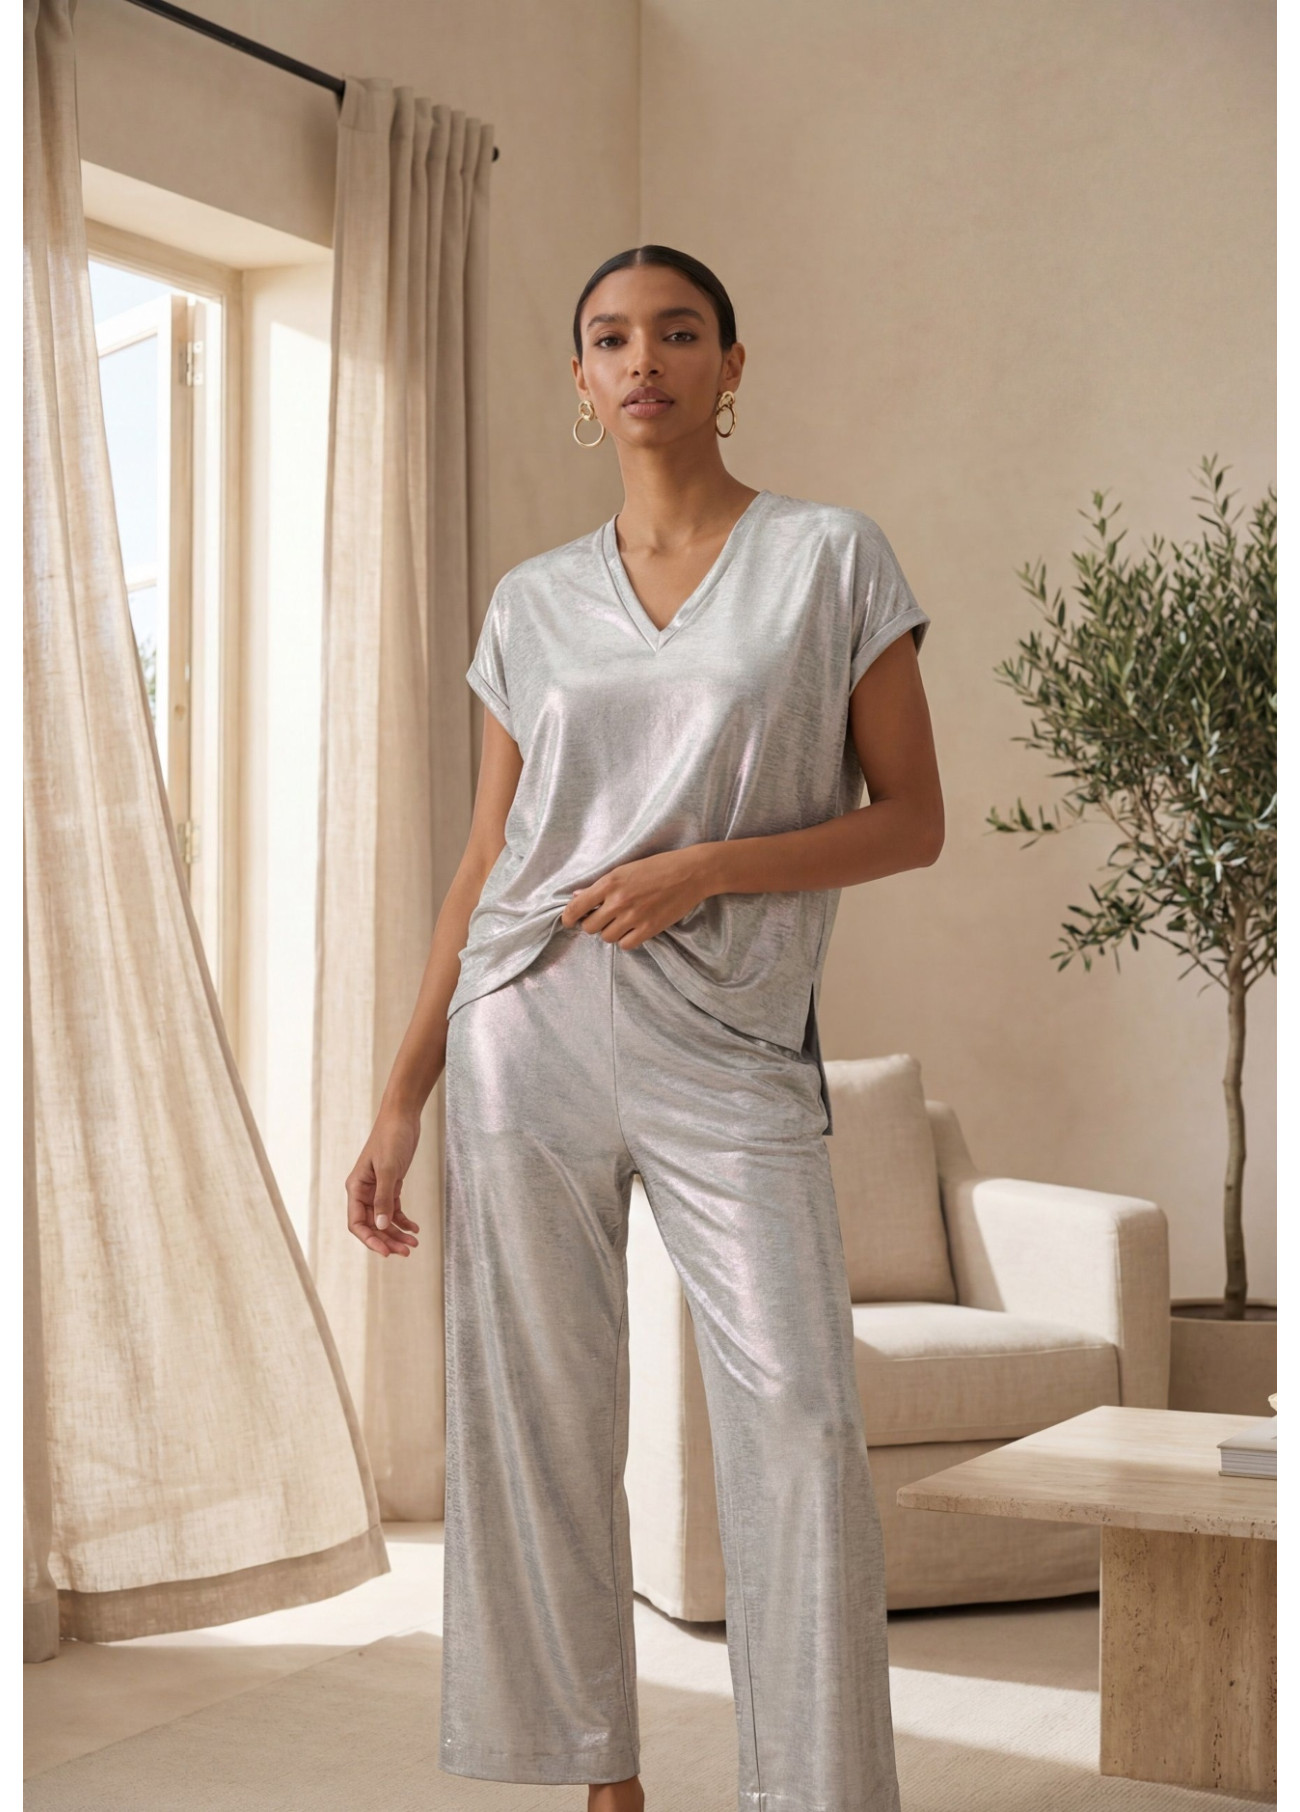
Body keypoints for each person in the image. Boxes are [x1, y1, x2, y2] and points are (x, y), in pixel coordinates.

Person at [345, 244, 944, 1812]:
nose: (644, 360)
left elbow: (913, 819)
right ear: (580, 380)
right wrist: (403, 1092)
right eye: (611, 339)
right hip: (524, 1029)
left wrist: (709, 868)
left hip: (730, 1045)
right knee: (539, 1423)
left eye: (678, 333)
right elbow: (489, 860)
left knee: (799, 1418)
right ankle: (599, 1781)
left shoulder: (829, 559)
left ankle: (814, 1791)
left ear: (732, 365)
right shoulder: (531, 601)